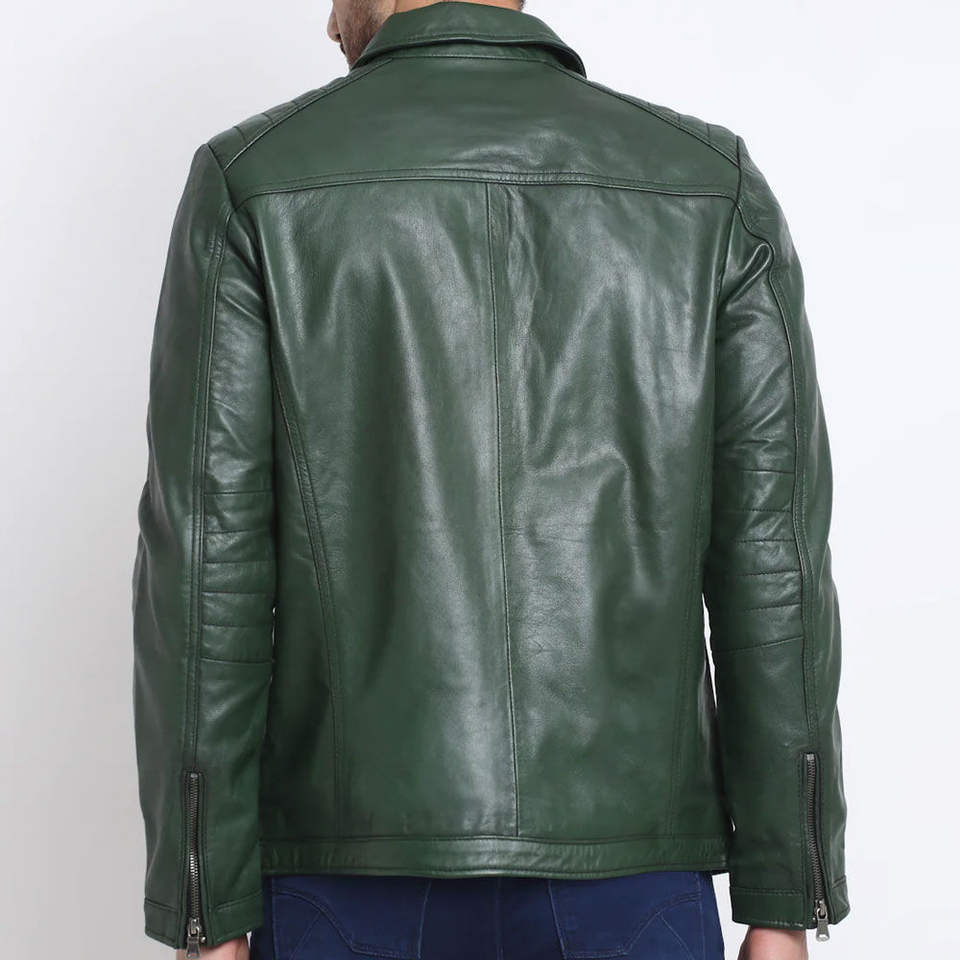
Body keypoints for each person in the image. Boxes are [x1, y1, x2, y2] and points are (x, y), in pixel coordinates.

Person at [131, 1, 851, 958]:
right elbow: (775, 563)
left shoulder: (252, 182)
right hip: (631, 881)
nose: (329, 21)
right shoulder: (709, 187)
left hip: (347, 880)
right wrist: (785, 896)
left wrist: (205, 910)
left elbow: (203, 569)